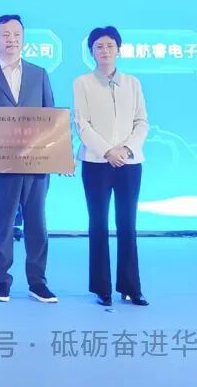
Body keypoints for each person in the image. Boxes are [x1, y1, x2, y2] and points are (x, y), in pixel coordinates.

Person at [0, 14, 57, 303]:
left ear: (23, 38)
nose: (11, 39)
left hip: (36, 163)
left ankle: (37, 282)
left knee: (37, 223)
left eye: (17, 34)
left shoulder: (39, 74)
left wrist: (56, 155)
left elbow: (50, 117)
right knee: (2, 223)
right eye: (5, 34)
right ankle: (2, 281)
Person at [74, 26, 149, 307]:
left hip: (130, 163)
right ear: (91, 52)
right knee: (98, 223)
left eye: (109, 46)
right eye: (99, 47)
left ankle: (131, 287)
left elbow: (142, 122)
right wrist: (107, 151)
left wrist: (126, 150)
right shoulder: (82, 83)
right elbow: (82, 124)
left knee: (128, 224)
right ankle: (101, 288)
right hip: (96, 162)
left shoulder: (133, 83)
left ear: (119, 49)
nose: (104, 51)